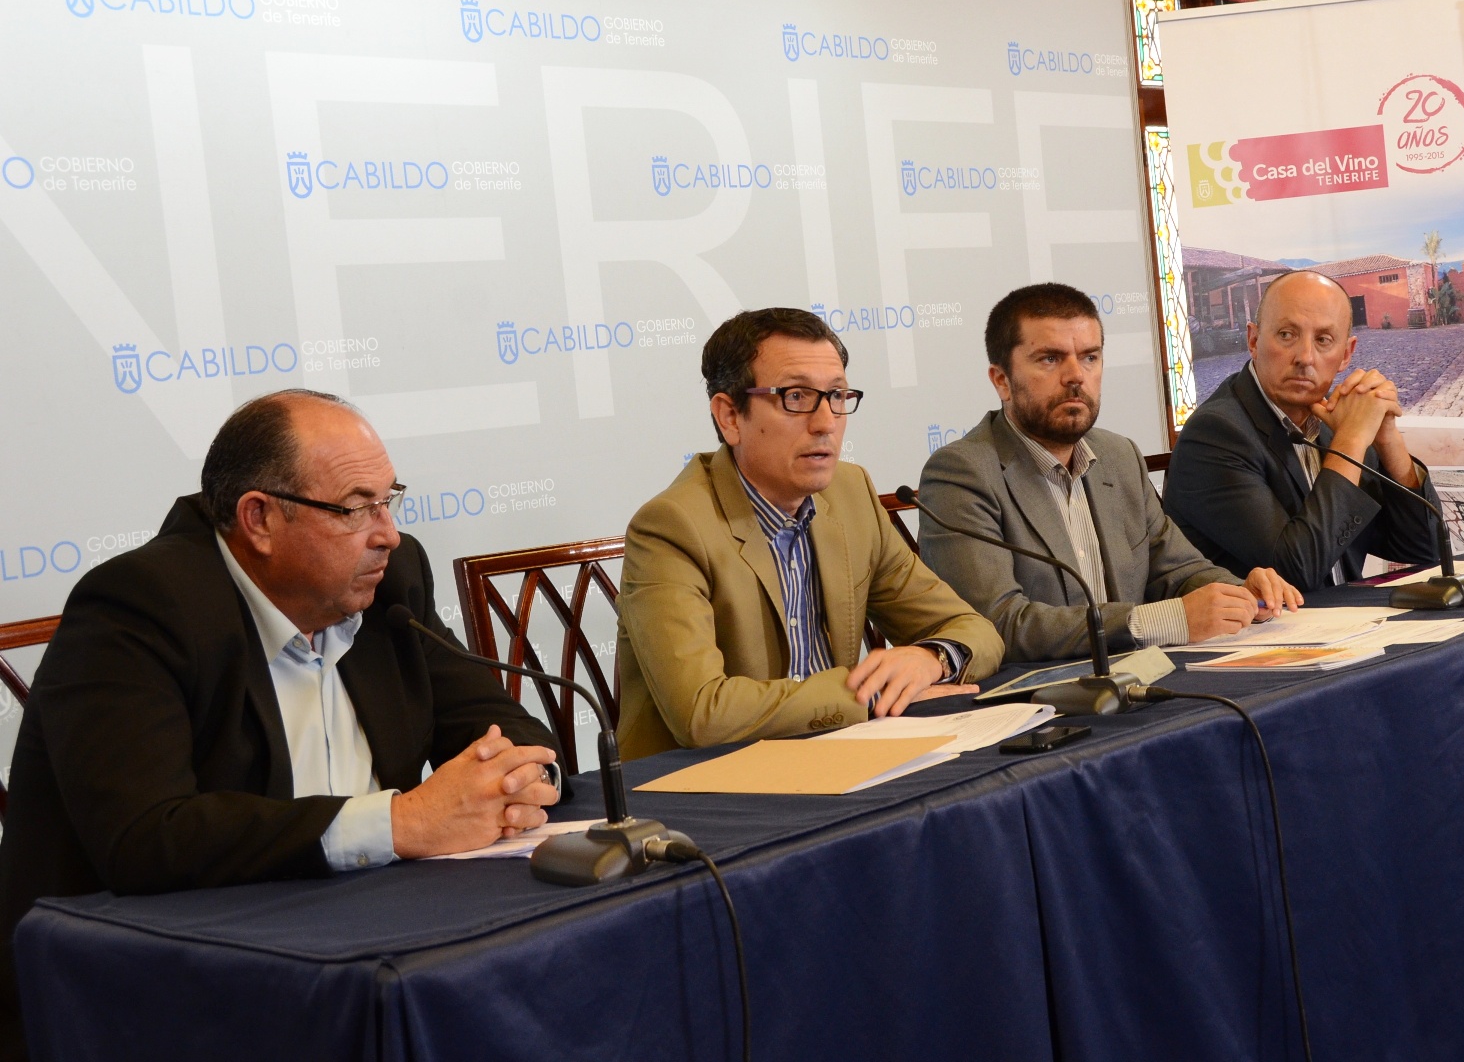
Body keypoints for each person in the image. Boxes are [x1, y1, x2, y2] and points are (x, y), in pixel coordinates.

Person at [0, 390, 563, 1056]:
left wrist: (516, 784)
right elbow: (147, 838)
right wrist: (403, 821)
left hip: (356, 950)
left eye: (390, 500)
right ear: (259, 518)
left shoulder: (391, 580)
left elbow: (503, 730)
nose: (386, 532)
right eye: (357, 508)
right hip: (156, 993)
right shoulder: (139, 607)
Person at [616, 308, 1003, 760]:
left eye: (837, 396)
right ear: (729, 417)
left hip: (841, 755)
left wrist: (928, 659)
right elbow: (703, 712)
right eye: (796, 396)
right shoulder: (671, 526)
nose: (825, 422)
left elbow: (976, 631)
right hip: (704, 789)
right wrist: (868, 694)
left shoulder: (851, 493)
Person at [917, 283, 1300, 662]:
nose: (1075, 376)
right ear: (1001, 380)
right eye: (1050, 359)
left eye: (1089, 357)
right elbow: (998, 624)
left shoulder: (1118, 455)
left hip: (1135, 679)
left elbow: (1179, 570)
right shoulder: (963, 473)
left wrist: (1239, 593)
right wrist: (1163, 620)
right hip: (1037, 702)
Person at [1164, 270, 1444, 590]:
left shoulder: (1332, 425)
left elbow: (1426, 548)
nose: (1305, 357)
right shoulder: (1215, 435)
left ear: (1346, 354)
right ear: (1253, 341)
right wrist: (1351, 440)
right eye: (1286, 335)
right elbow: (1295, 573)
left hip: (1346, 625)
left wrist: (1386, 436)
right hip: (1262, 634)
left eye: (1323, 340)